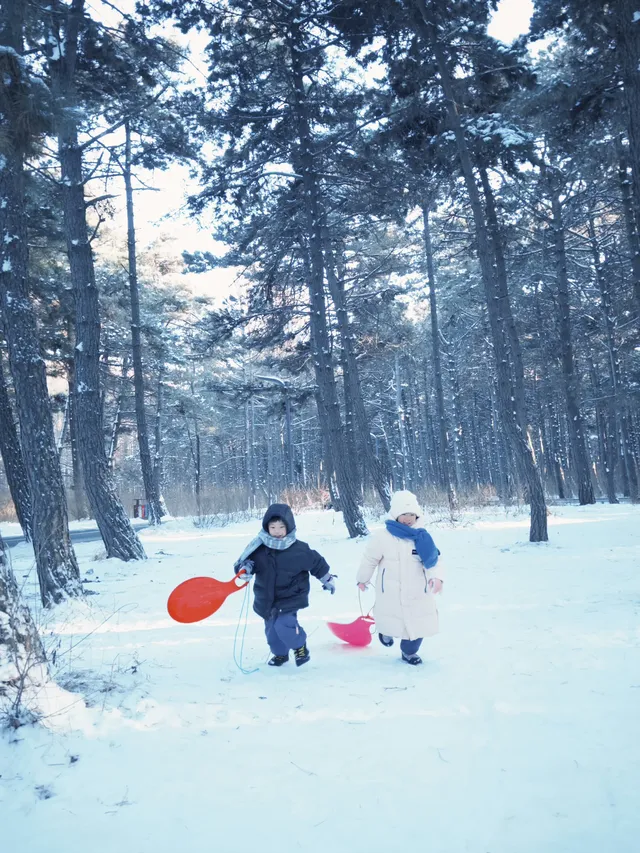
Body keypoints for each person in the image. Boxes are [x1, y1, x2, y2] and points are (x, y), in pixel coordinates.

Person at [234, 503, 336, 667]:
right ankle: (280, 654)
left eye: (281, 527)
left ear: (289, 526)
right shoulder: (259, 548)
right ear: (267, 528)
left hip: (290, 597)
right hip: (266, 598)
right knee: (272, 633)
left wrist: (327, 579)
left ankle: (300, 645)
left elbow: (316, 563)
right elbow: (248, 562)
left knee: (284, 625)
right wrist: (245, 570)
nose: (277, 531)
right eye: (273, 527)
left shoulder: (299, 549)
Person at [356, 490, 443, 665]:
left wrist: (437, 578)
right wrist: (363, 578)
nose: (409, 518)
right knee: (390, 617)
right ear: (396, 514)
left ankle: (409, 652)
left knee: (418, 624)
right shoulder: (383, 537)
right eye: (404, 514)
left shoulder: (422, 537)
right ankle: (385, 632)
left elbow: (434, 561)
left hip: (418, 591)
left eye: (412, 514)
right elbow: (370, 558)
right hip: (390, 591)